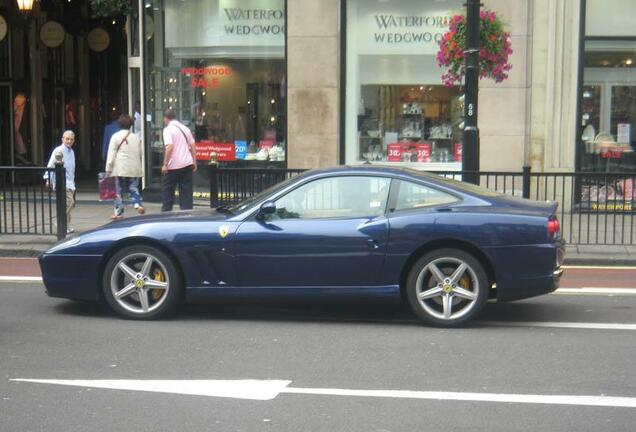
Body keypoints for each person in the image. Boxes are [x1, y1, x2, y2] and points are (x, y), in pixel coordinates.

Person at [105, 114, 145, 219]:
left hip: (120, 168)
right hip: (134, 168)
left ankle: (119, 213)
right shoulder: (136, 138)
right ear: (131, 125)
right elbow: (141, 153)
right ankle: (137, 204)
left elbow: (111, 154)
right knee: (133, 188)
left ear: (119, 124)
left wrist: (108, 169)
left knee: (118, 191)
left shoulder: (115, 136)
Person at [161, 108, 197, 212]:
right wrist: (194, 161)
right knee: (186, 192)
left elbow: (169, 147)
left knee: (168, 191)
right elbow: (193, 145)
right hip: (187, 164)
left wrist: (165, 164)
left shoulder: (168, 130)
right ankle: (186, 215)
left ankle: (166, 214)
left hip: (173, 166)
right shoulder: (185, 128)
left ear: (166, 118)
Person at [43, 130, 76, 234]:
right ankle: (60, 222)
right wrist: (48, 179)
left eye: (71, 139)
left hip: (70, 181)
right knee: (70, 202)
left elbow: (72, 168)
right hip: (61, 181)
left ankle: (66, 225)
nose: (69, 141)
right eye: (67, 139)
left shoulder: (71, 151)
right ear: (62, 139)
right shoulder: (59, 150)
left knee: (67, 204)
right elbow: (50, 165)